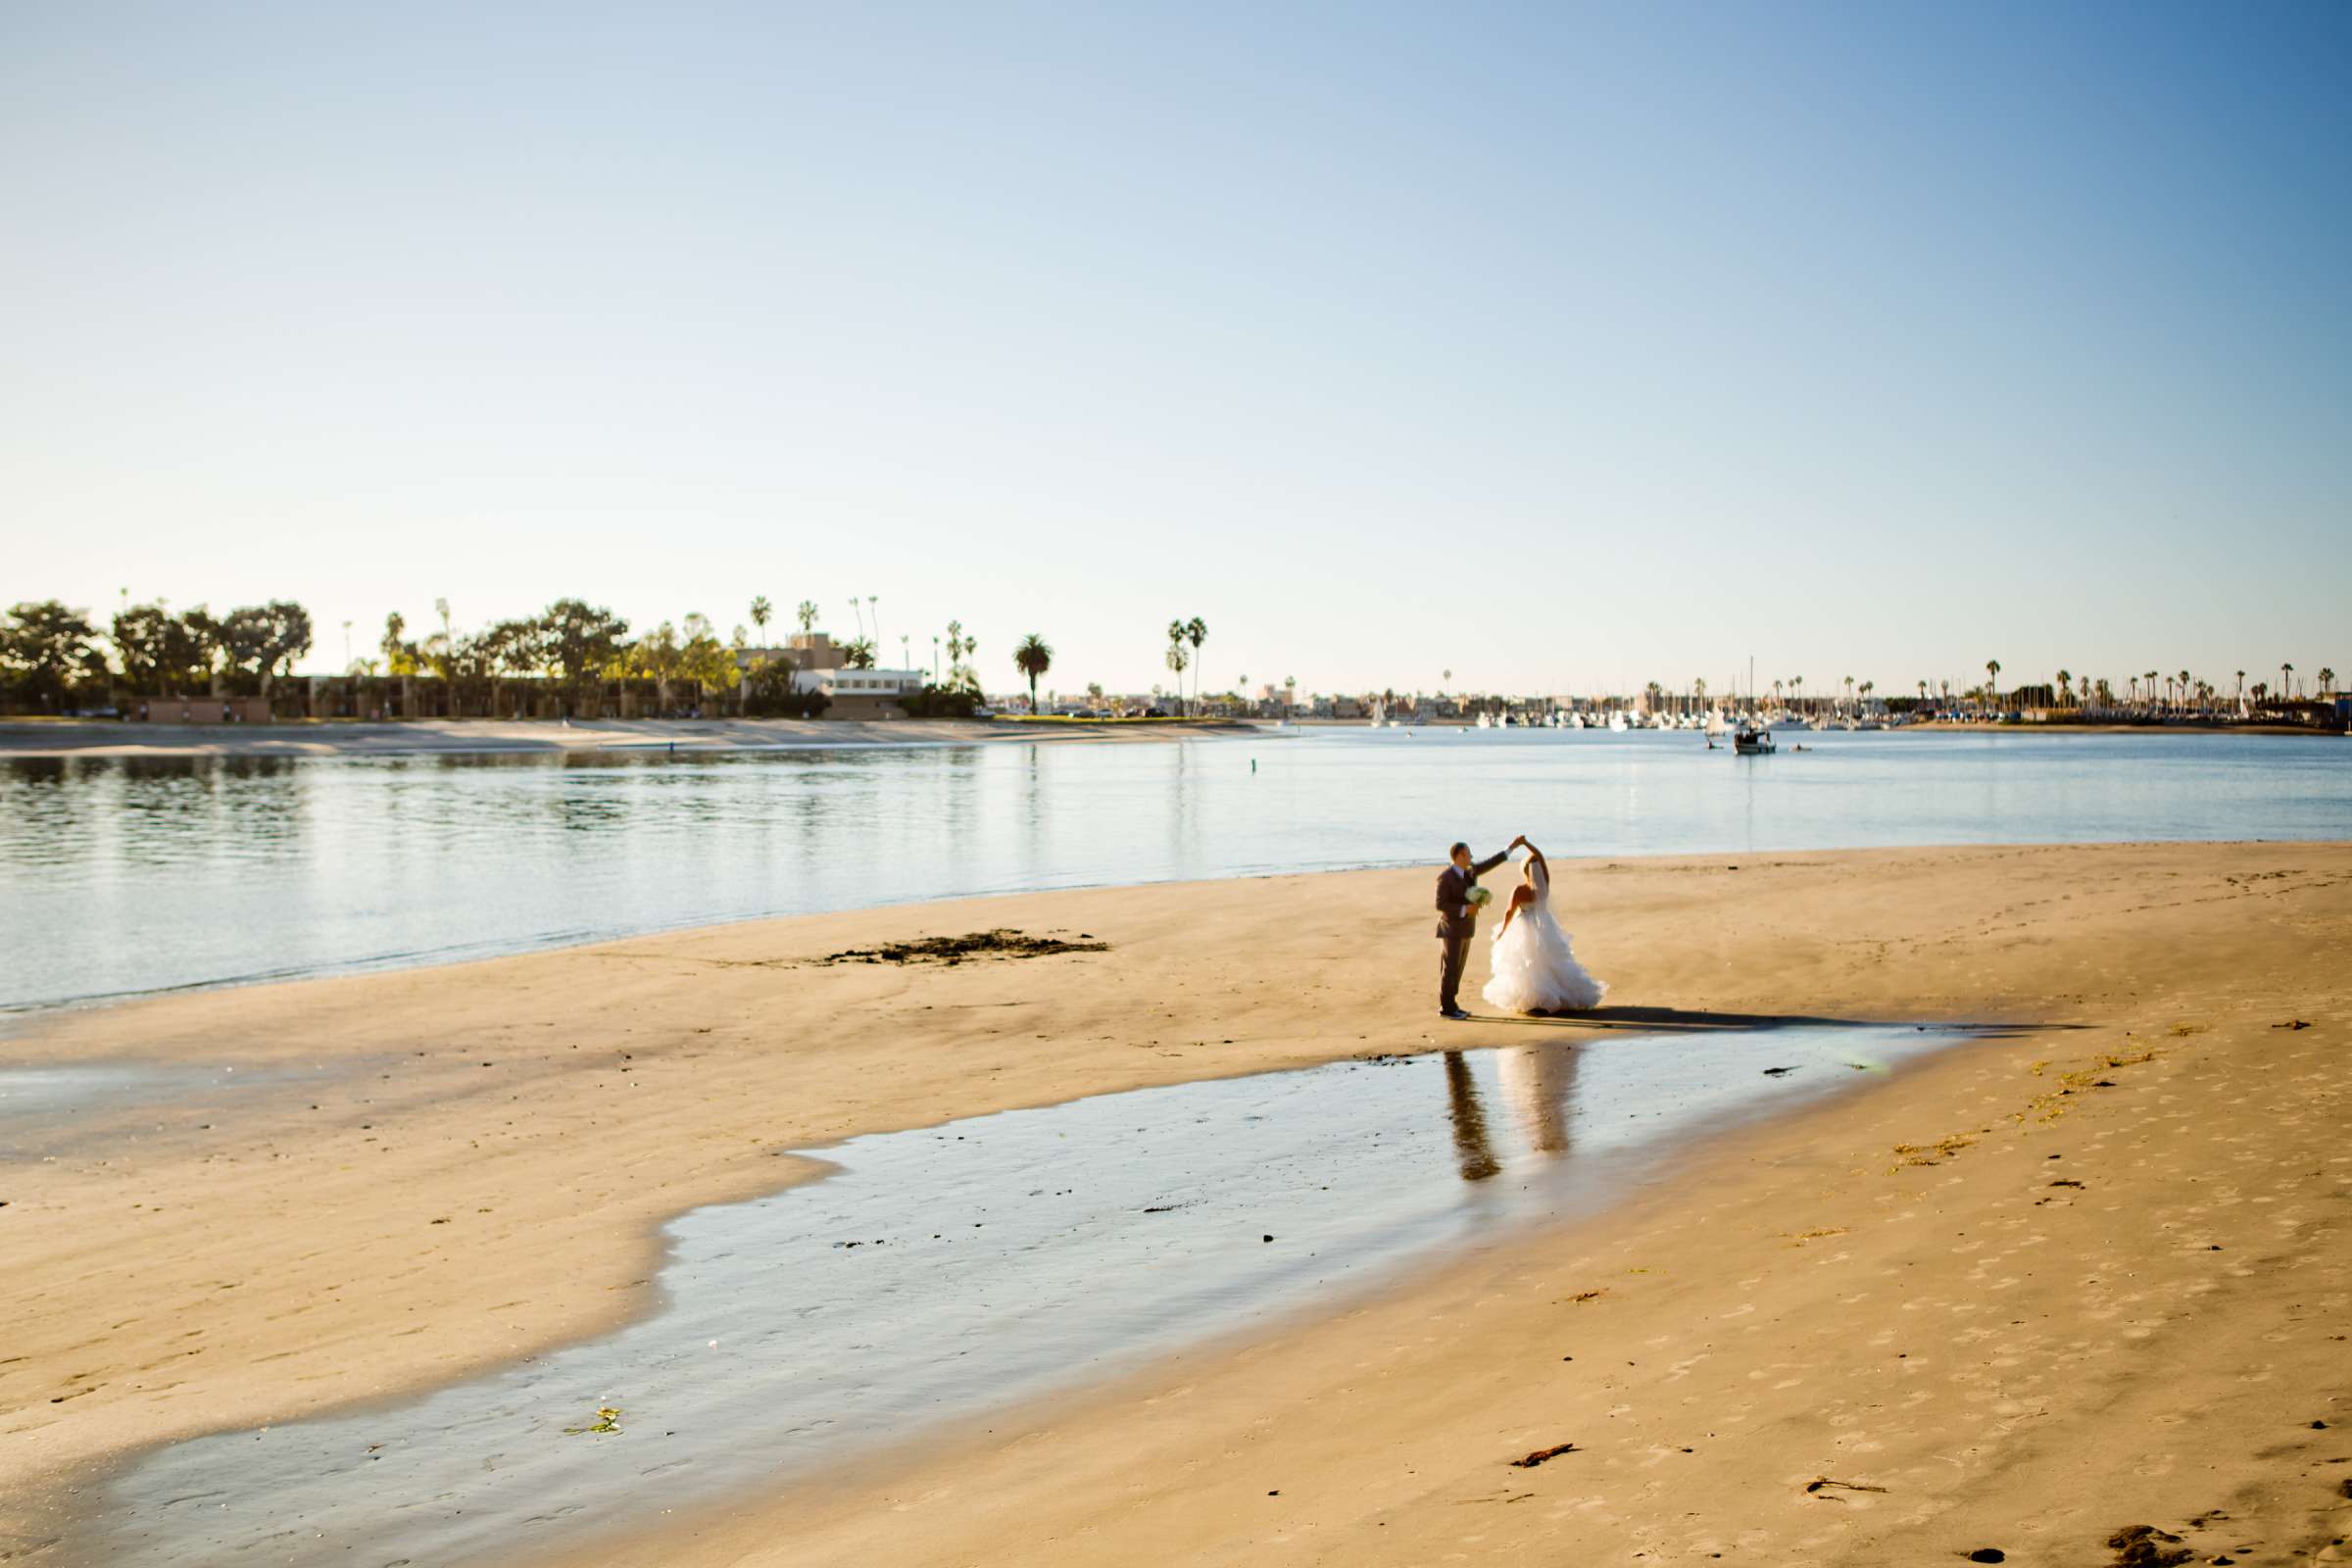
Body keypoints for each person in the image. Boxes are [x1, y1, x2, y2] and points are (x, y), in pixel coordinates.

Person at [1482, 837, 1606, 1015]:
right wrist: (1527, 844)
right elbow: (1540, 857)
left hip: (1524, 926)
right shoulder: (1545, 886)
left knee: (1528, 964)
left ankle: (1535, 999)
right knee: (1548, 962)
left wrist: (1503, 930)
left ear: (1524, 870)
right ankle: (1554, 995)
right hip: (1544, 926)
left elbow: (1509, 912)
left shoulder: (1519, 890)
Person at [1435, 837, 1514, 1019]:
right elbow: (1440, 904)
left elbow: (1490, 863)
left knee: (1458, 968)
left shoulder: (1470, 872)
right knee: (1450, 968)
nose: (1471, 856)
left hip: (1466, 928)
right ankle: (1445, 1008)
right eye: (1468, 853)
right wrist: (1464, 908)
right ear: (1459, 856)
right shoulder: (1446, 877)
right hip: (1451, 929)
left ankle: (1452, 1004)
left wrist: (1510, 848)